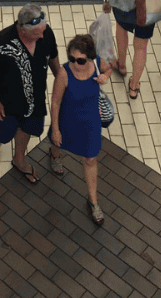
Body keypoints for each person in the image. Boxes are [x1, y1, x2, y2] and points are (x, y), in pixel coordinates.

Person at [0, 3, 61, 185]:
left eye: (43, 31)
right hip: (8, 103)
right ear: (22, 30)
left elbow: (54, 58)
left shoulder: (45, 33)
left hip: (36, 101)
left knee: (28, 129)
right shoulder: (1, 43)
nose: (42, 35)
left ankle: (19, 159)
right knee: (5, 132)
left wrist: (61, 81)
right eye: (37, 33)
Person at [48, 34, 111, 225]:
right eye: (72, 58)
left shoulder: (98, 63)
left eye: (80, 60)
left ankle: (93, 201)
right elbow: (56, 102)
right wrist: (56, 129)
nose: (75, 63)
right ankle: (54, 155)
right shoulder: (64, 73)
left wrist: (105, 76)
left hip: (90, 122)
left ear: (90, 57)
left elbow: (109, 67)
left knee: (90, 158)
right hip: (68, 119)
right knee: (57, 142)